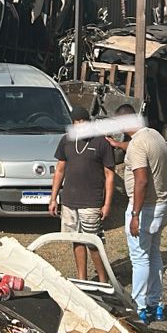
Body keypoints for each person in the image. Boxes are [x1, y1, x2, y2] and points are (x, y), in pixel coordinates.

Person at [110, 110, 167, 323]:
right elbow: (139, 150)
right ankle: (156, 304)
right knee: (154, 253)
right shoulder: (154, 136)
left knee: (139, 258)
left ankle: (139, 307)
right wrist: (119, 146)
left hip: (144, 208)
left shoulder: (137, 145)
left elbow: (142, 181)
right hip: (162, 205)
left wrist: (135, 214)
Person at [48, 106, 115, 281]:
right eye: (76, 122)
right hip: (70, 200)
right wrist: (53, 197)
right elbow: (60, 170)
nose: (79, 125)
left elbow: (109, 175)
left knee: (93, 243)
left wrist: (107, 204)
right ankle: (81, 278)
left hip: (91, 201)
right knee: (76, 240)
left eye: (82, 121)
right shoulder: (66, 141)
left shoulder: (101, 142)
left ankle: (103, 280)